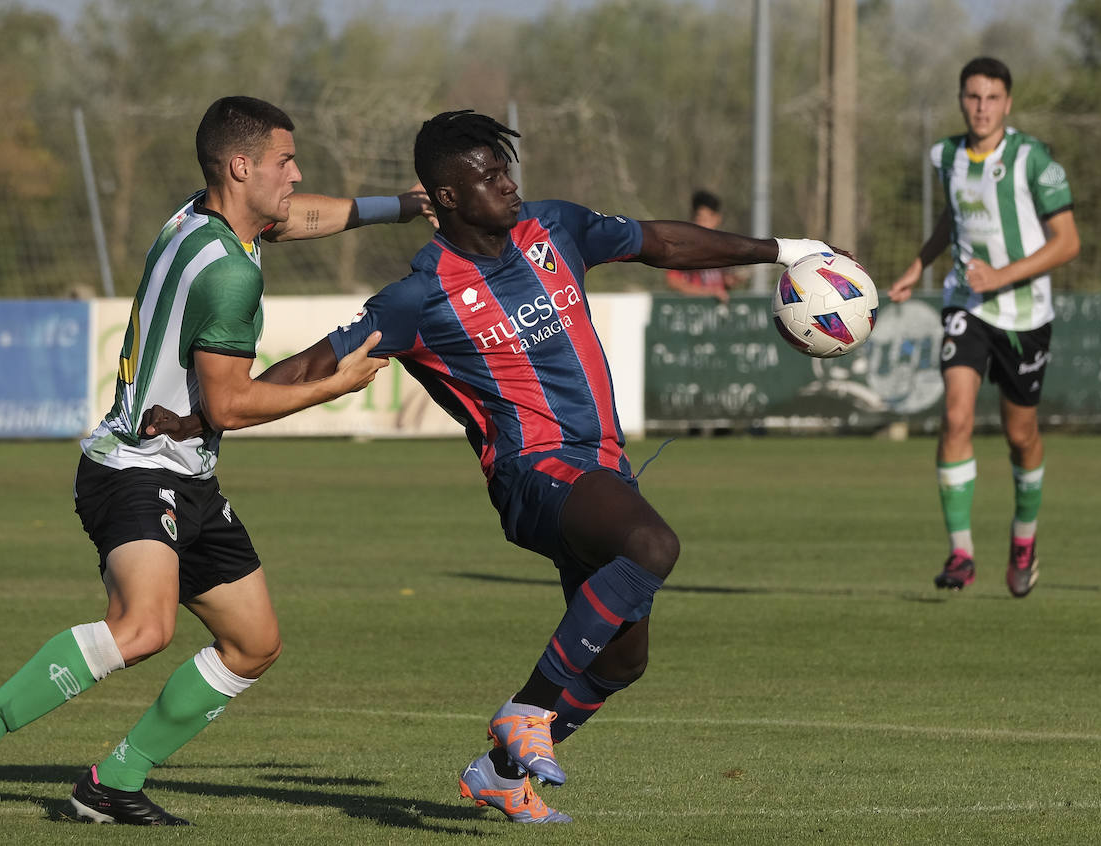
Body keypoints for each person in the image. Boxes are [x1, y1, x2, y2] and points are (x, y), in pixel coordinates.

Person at [150, 109, 838, 823]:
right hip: (532, 475)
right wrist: (206, 416)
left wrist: (786, 249)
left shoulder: (555, 229)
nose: (507, 186)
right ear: (446, 197)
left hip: (601, 472)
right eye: (488, 177)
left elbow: (659, 240)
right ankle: (527, 711)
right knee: (654, 546)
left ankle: (502, 773)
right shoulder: (422, 294)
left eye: (505, 170)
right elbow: (320, 361)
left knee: (622, 661)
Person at [0, 95, 433, 825]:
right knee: (143, 628)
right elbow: (229, 408)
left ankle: (110, 784)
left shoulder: (199, 214)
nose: (297, 173)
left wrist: (398, 207)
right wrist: (331, 385)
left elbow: (302, 216)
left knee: (253, 644)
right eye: (286, 160)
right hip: (132, 469)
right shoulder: (229, 276)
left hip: (183, 474)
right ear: (242, 165)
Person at [888, 57, 1079, 597]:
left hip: (1025, 316)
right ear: (960, 99)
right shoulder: (946, 155)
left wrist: (1001, 276)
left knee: (1022, 437)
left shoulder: (1032, 159)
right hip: (965, 305)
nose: (981, 107)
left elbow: (1068, 242)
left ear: (1008, 103)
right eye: (972, 96)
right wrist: (917, 265)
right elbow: (951, 215)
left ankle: (1024, 539)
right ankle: (961, 552)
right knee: (955, 417)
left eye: (992, 97)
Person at [663, 189, 745, 302]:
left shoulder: (722, 248)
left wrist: (729, 282)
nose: (703, 225)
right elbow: (673, 282)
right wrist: (709, 293)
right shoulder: (683, 248)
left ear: (717, 219)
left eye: (706, 220)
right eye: (699, 219)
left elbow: (721, 283)